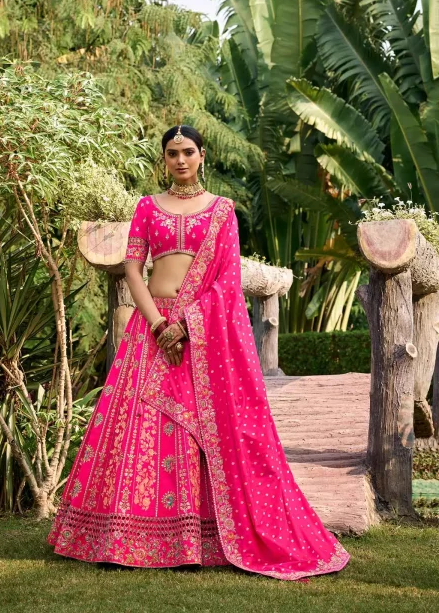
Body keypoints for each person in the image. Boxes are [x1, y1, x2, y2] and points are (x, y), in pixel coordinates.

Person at [47, 124, 350, 581]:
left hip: (202, 338)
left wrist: (186, 326)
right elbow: (133, 267)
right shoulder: (147, 207)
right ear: (164, 159)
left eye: (188, 151)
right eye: (172, 153)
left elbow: (227, 283)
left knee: (199, 433)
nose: (181, 160)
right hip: (152, 329)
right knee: (140, 427)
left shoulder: (222, 212)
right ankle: (125, 537)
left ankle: (200, 539)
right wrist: (157, 325)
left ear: (202, 156)